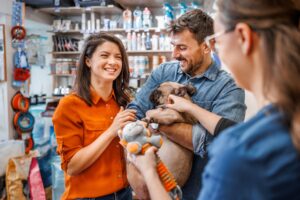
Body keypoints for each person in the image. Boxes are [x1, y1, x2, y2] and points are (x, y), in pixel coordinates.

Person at [129, 0, 300, 199]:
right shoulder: (279, 131)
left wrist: (149, 167)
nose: (174, 54)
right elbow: (136, 110)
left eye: (219, 38)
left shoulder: (239, 151)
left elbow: (215, 141)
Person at [127, 9, 246, 199]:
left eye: (182, 48)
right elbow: (135, 111)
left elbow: (223, 144)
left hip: (199, 192)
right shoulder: (163, 73)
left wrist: (158, 124)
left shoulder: (229, 88)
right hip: (148, 188)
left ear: (207, 46)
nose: (174, 54)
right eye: (173, 46)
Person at [52, 33, 136, 200]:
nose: (113, 62)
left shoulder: (124, 102)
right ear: (88, 61)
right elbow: (72, 167)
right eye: (104, 55)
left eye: (118, 57)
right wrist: (111, 131)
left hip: (124, 193)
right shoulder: (70, 106)